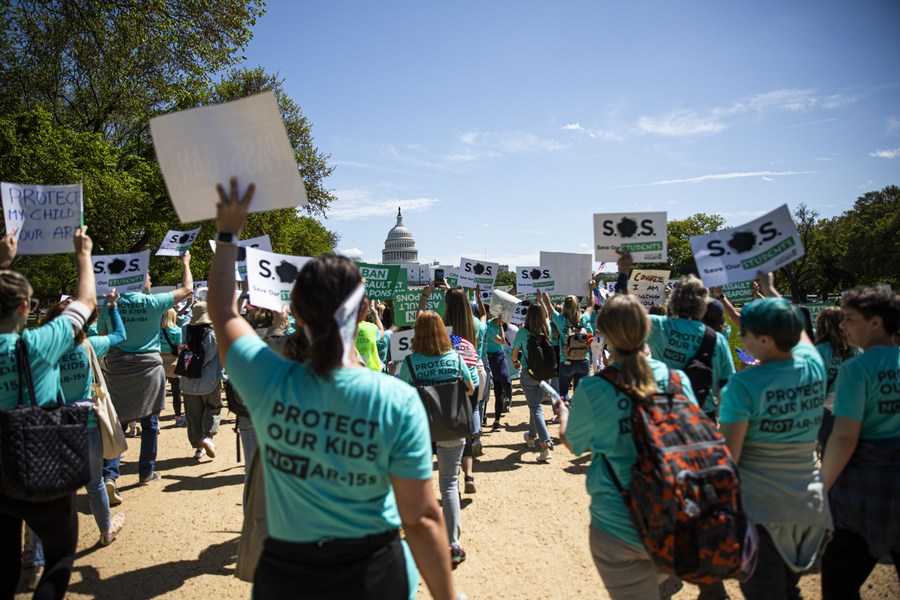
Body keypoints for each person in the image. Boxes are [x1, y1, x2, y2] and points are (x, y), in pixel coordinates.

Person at [207, 178, 457, 600]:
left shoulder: (268, 380)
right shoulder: (396, 400)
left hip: (287, 575)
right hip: (373, 575)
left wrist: (228, 233)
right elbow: (420, 519)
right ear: (364, 311)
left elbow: (222, 311)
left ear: (295, 312)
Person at [556, 293, 699, 599]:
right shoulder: (677, 380)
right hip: (673, 518)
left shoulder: (593, 389)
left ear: (603, 334)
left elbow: (573, 443)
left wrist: (563, 416)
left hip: (617, 525)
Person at [717, 272, 831, 600]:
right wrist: (770, 289)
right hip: (808, 504)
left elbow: (730, 457)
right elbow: (800, 331)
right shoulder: (813, 364)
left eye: (745, 332)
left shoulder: (743, 386)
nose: (741, 337)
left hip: (761, 509)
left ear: (765, 340)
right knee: (788, 588)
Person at [0, 228, 96, 600]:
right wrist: (82, 254)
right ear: (25, 308)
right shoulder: (40, 343)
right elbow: (86, 301)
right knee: (59, 557)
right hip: (43, 466)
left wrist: (2, 262)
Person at [821, 287, 900, 599]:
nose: (843, 325)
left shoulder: (857, 368)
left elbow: (844, 437)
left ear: (876, 323)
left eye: (850, 318)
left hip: (866, 490)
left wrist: (821, 487)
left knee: (839, 579)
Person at [99, 251, 193, 501]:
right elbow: (187, 289)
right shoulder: (153, 303)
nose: (150, 278)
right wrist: (185, 263)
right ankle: (146, 472)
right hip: (149, 367)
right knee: (150, 422)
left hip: (117, 367)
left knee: (115, 422)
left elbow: (102, 335)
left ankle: (110, 475)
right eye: (148, 275)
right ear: (140, 280)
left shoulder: (110, 304)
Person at [42, 293, 128, 546]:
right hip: (88, 423)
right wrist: (112, 307)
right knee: (95, 483)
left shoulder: (42, 351)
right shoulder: (89, 345)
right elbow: (120, 335)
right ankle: (106, 531)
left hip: (56, 424)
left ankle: (39, 552)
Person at [397, 310, 475, 567]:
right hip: (452, 426)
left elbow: (403, 395)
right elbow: (471, 387)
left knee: (419, 484)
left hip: (420, 430)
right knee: (449, 484)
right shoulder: (455, 358)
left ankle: (421, 537)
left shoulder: (410, 362)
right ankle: (453, 544)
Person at [642, 272, 735, 420]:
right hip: (703, 415)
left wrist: (623, 274)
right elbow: (727, 386)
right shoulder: (718, 340)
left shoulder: (657, 325)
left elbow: (621, 317)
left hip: (663, 412)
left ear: (673, 301)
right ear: (703, 305)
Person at [442, 287, 483, 491]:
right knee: (465, 428)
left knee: (448, 431)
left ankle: (453, 478)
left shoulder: (441, 327)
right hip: (471, 380)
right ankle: (469, 474)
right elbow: (483, 318)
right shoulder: (475, 325)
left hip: (448, 381)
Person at [511, 303, 555, 461]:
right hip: (546, 375)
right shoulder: (548, 329)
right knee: (535, 406)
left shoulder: (523, 332)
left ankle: (545, 443)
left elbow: (514, 353)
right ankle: (531, 436)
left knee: (535, 408)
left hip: (529, 374)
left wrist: (515, 362)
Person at [813, 306, 860, 451]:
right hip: (852, 407)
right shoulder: (857, 349)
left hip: (825, 408)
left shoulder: (820, 350)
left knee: (829, 450)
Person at [180, 302, 223, 460]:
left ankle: (198, 447)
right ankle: (207, 436)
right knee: (213, 408)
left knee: (193, 415)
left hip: (188, 379)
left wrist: (190, 307)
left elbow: (185, 320)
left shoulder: (185, 331)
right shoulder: (213, 335)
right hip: (209, 380)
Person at [538, 285, 594, 401]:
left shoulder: (560, 320)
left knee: (563, 393)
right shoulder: (584, 319)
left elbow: (548, 304)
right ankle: (577, 411)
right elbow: (591, 304)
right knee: (579, 394)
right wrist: (590, 288)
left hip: (566, 360)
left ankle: (566, 410)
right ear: (578, 306)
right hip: (584, 360)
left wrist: (543, 289)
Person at [159, 308, 185, 427]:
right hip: (173, 364)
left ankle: (156, 419)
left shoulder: (157, 331)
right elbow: (179, 350)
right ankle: (178, 417)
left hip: (159, 363)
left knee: (159, 393)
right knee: (176, 392)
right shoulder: (177, 331)